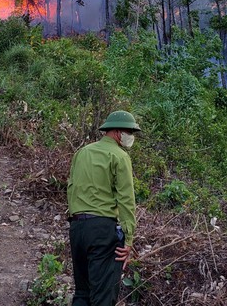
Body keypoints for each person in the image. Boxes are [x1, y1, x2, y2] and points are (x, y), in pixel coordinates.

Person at [67, 110, 140, 306]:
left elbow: (71, 188)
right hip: (101, 230)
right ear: (117, 132)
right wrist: (129, 238)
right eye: (129, 132)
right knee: (103, 296)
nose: (131, 137)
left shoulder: (82, 152)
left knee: (82, 293)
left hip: (77, 229)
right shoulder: (119, 156)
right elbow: (126, 199)